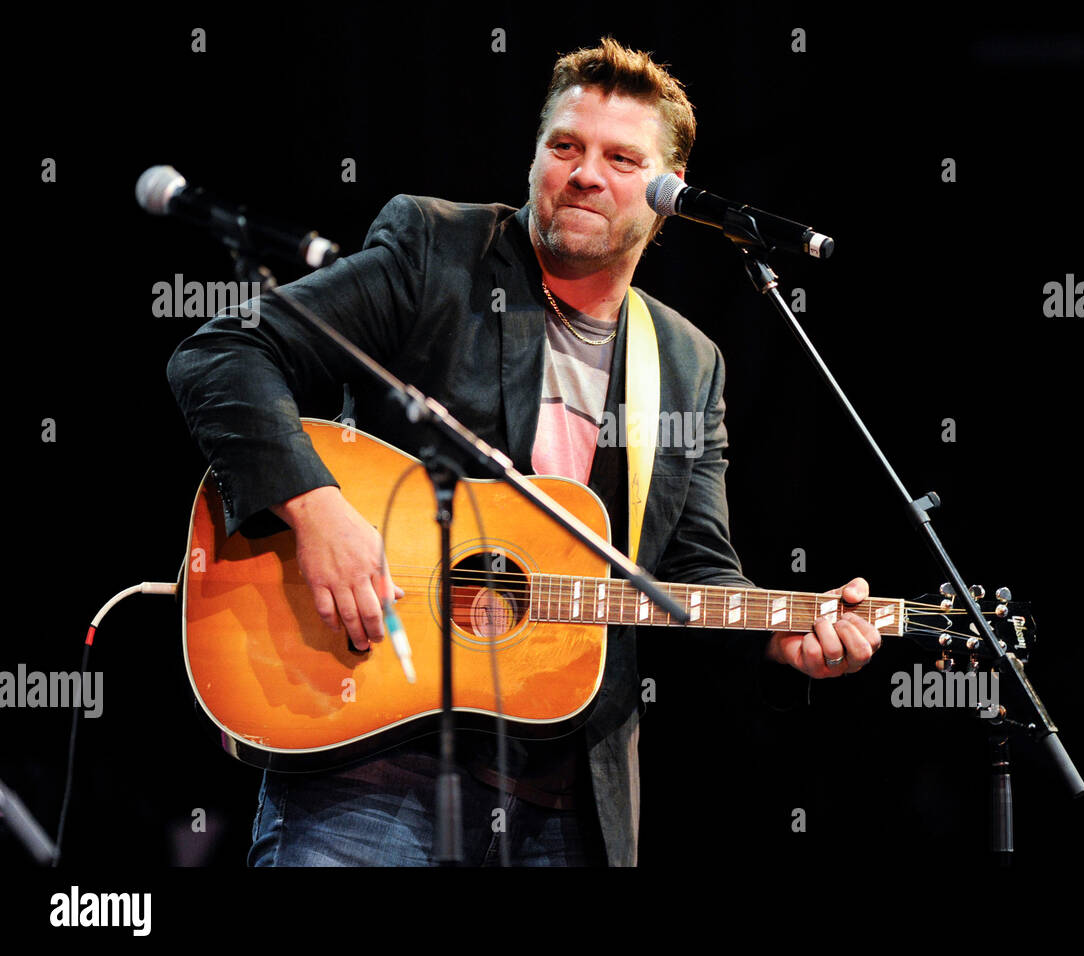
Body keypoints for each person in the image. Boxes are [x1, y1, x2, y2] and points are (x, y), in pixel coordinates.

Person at [166, 36, 881, 867]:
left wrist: (779, 636)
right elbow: (222, 355)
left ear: (670, 196)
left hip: (561, 803)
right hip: (369, 758)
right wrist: (317, 509)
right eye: (565, 147)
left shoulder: (687, 362)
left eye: (622, 159)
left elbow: (693, 570)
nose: (584, 173)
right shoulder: (438, 251)